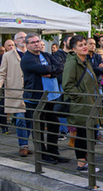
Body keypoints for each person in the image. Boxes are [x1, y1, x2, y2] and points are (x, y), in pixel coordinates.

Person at [20, 33, 68, 164]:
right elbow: (41, 68)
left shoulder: (46, 55)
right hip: (35, 98)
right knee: (39, 127)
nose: (36, 44)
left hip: (51, 97)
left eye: (37, 41)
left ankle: (53, 152)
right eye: (33, 42)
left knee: (54, 123)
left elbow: (60, 67)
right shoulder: (27, 59)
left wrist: (50, 72)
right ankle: (42, 155)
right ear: (27, 44)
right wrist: (50, 70)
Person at [62, 35, 100, 172]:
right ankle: (81, 163)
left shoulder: (86, 61)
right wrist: (82, 97)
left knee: (91, 133)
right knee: (84, 134)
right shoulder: (73, 62)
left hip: (90, 103)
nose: (84, 46)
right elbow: (67, 85)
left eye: (85, 44)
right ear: (73, 48)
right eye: (80, 45)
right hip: (81, 104)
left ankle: (86, 160)